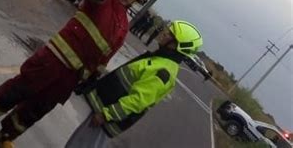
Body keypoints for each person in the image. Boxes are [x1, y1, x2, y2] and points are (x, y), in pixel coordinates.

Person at [0, 0, 149, 148]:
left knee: (38, 108)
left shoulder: (123, 26)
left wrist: (91, 78)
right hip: (52, 60)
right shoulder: (103, 0)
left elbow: (106, 56)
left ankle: (2, 138)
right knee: (17, 91)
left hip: (70, 78)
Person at [65, 20, 203, 148]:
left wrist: (106, 115)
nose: (164, 33)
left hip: (107, 120)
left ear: (177, 46)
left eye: (170, 34)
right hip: (104, 110)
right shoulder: (160, 59)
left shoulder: (164, 72)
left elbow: (137, 101)